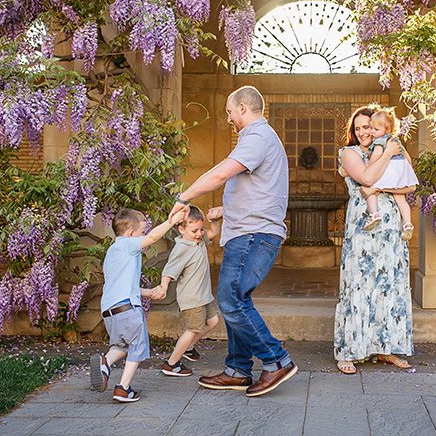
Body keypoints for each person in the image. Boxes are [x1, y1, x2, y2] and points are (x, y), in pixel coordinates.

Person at [168, 85, 296, 397]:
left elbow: (220, 174)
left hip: (253, 235)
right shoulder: (261, 140)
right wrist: (229, 209)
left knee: (230, 300)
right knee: (238, 298)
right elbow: (266, 189)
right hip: (248, 230)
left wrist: (184, 197)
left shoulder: (257, 137)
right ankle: (238, 369)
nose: (228, 119)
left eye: (229, 112)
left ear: (242, 108)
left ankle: (276, 360)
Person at [333, 105, 415, 375]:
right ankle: (348, 350)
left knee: (388, 285)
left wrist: (383, 184)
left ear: (379, 126)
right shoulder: (349, 153)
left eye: (367, 127)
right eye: (357, 128)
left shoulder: (391, 146)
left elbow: (410, 183)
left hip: (391, 228)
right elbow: (366, 177)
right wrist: (389, 153)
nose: (363, 132)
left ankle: (385, 349)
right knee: (358, 284)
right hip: (363, 225)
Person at [90, 207, 187, 402]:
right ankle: (123, 388)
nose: (144, 236)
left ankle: (105, 363)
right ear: (131, 233)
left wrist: (148, 293)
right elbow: (152, 238)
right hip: (127, 308)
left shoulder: (112, 252)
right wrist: (171, 221)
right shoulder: (127, 244)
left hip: (110, 311)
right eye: (142, 231)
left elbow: (124, 285)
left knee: (121, 345)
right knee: (138, 345)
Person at [150, 205, 221, 377]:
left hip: (203, 296)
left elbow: (213, 233)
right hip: (192, 298)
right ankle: (171, 363)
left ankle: (188, 347)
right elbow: (169, 269)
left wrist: (216, 222)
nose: (199, 234)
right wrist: (164, 286)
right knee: (193, 329)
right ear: (181, 229)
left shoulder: (199, 240)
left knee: (213, 322)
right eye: (194, 230)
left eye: (201, 229)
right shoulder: (182, 248)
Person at [363, 107, 419, 240]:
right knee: (401, 199)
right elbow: (408, 159)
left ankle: (374, 214)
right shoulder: (395, 140)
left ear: (387, 130)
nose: (371, 132)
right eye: (371, 128)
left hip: (389, 169)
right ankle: (408, 223)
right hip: (401, 169)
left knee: (371, 190)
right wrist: (405, 173)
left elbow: (376, 156)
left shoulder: (379, 141)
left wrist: (369, 167)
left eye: (375, 129)